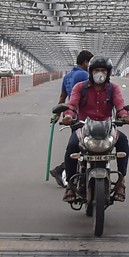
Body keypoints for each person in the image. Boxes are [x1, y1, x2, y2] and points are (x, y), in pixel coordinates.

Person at [61, 56, 129, 203]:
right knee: (72, 146)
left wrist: (124, 116)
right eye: (96, 70)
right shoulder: (80, 87)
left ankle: (121, 182)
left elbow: (120, 105)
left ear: (108, 73)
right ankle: (69, 184)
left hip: (107, 129)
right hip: (84, 128)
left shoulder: (114, 89)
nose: (100, 73)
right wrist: (68, 116)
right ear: (90, 72)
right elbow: (72, 104)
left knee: (123, 141)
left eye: (103, 71)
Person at [49, 50, 93, 186]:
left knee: (77, 145)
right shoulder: (84, 75)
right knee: (86, 146)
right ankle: (64, 171)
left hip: (71, 115)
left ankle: (71, 172)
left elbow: (63, 97)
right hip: (83, 115)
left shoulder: (68, 75)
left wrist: (56, 114)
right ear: (86, 63)